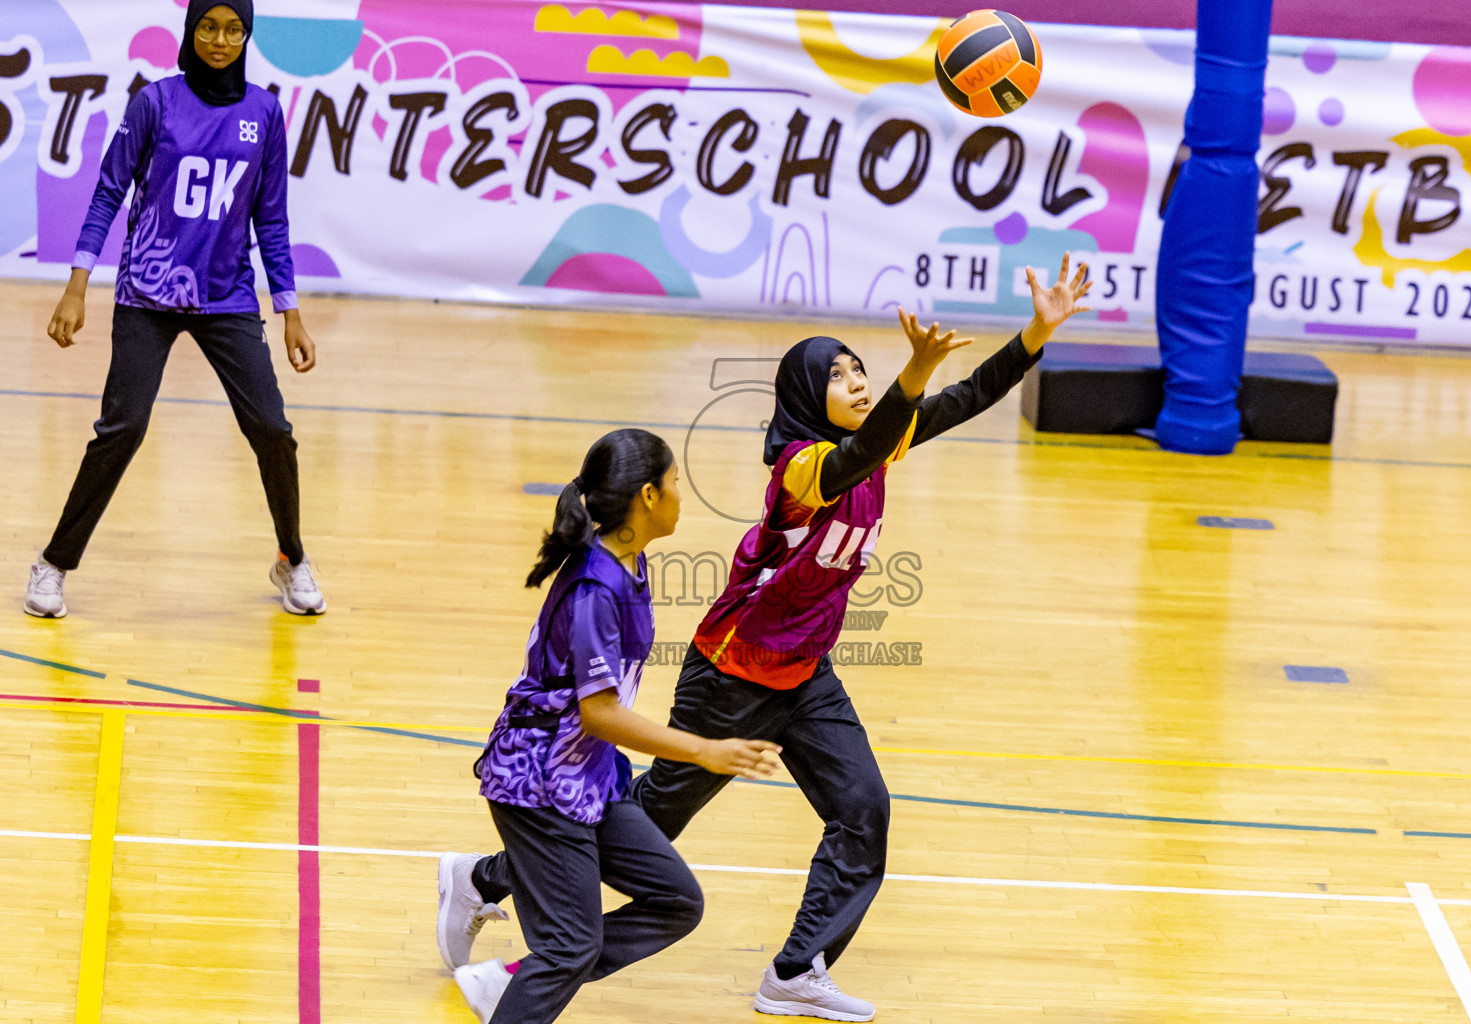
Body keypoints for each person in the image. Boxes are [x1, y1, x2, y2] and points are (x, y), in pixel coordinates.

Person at [629, 255, 1093, 1021]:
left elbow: (967, 396)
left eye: (859, 368)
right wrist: (911, 371)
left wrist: (1035, 331)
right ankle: (491, 879)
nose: (855, 379)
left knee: (863, 810)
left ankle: (795, 970)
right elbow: (857, 454)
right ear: (809, 398)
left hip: (805, 674)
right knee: (647, 826)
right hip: (733, 675)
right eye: (837, 374)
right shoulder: (802, 468)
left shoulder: (883, 441)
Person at [436, 429, 784, 1024]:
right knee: (571, 946)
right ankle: (527, 980)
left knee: (676, 900)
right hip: (540, 783)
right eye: (675, 483)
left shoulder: (628, 559)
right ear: (647, 497)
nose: (682, 494)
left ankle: (516, 969)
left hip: (589, 776)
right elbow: (599, 713)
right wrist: (705, 751)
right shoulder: (597, 587)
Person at [24, 0, 324, 619]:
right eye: (209, 27)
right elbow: (109, 189)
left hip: (227, 295)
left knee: (272, 429)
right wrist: (77, 284)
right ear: (191, 32)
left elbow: (271, 218)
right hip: (147, 293)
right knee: (123, 428)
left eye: (234, 29)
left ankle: (292, 559)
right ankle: (53, 563)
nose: (220, 40)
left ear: (248, 35)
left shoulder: (264, 112)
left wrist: (289, 308)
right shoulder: (154, 102)